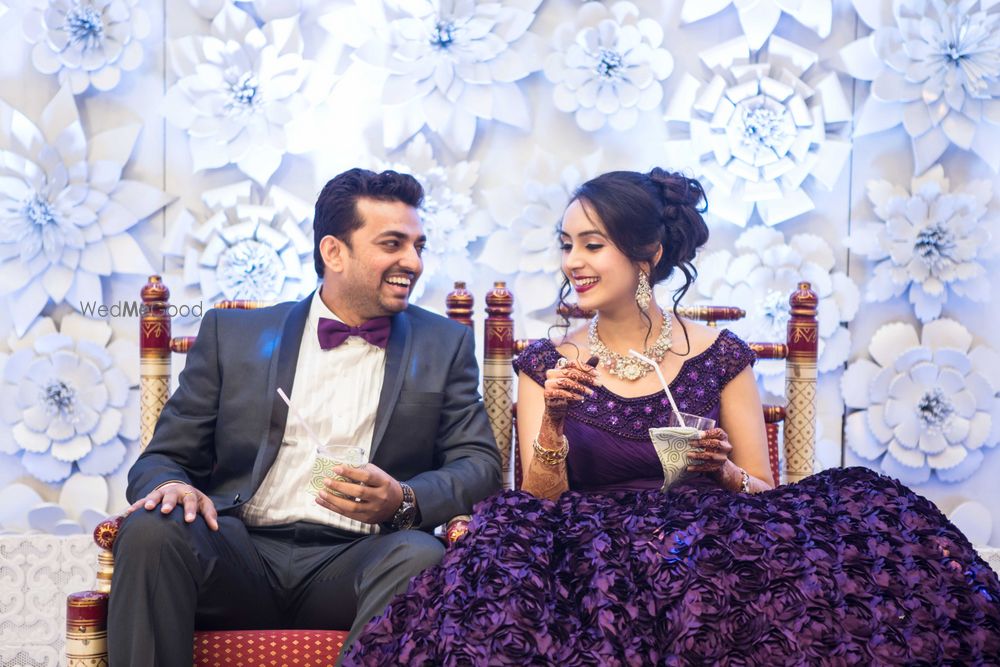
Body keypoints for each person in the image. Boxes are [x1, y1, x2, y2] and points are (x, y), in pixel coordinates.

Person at [344, 169, 1000, 665]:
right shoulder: (547, 362)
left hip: (707, 547)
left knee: (870, 509)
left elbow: (766, 491)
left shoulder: (722, 357)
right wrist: (553, 425)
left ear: (647, 254)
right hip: (590, 555)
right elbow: (540, 502)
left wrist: (724, 470)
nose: (572, 261)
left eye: (592, 245)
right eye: (566, 244)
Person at [108, 168, 502, 666]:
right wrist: (171, 484)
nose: (413, 262)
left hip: (358, 561)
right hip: (240, 552)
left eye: (418, 246)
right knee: (150, 528)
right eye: (393, 244)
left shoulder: (443, 344)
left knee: (420, 558)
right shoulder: (232, 335)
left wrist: (403, 499)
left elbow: (480, 466)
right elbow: (161, 458)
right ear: (334, 252)